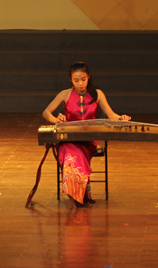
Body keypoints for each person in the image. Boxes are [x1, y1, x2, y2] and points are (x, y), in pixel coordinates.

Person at [41, 61, 131, 207]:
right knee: (70, 152)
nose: (80, 83)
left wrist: (121, 118)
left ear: (89, 76)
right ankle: (76, 193)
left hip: (88, 140)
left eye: (83, 79)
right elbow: (46, 112)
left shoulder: (97, 94)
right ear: (70, 79)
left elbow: (111, 115)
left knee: (77, 153)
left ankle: (78, 192)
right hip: (69, 138)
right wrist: (56, 119)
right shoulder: (65, 94)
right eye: (76, 80)